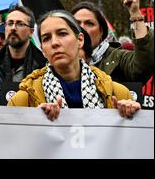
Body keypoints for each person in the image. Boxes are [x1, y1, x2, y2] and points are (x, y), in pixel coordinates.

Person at [8, 10, 141, 121]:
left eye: (62, 33)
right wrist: (34, 121)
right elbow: (10, 146)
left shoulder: (118, 94)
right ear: (42, 49)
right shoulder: (23, 101)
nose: (54, 43)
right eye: (46, 38)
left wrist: (132, 118)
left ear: (80, 40)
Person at [71, 0, 154, 83]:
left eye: (89, 23)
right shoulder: (59, 60)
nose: (82, 28)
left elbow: (144, 64)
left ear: (101, 31)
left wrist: (135, 13)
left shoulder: (118, 58)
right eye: (76, 23)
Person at [0, 5, 46, 101]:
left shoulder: (44, 67)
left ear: (31, 31)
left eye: (20, 24)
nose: (13, 28)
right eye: (10, 23)